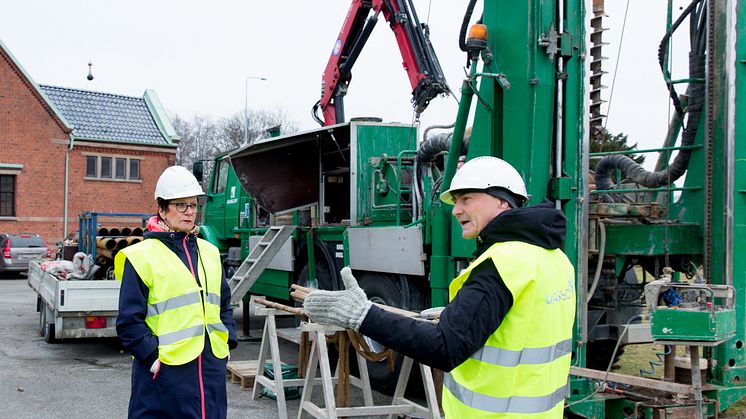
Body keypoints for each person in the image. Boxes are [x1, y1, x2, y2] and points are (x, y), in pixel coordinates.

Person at [304, 156, 576, 418]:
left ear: (502, 202)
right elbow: (525, 326)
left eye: (466, 199)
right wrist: (460, 314)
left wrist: (363, 315)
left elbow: (444, 347)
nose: (456, 210)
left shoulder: (501, 265)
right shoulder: (555, 259)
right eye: (456, 201)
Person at [115, 165, 238, 419]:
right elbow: (129, 323)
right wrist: (153, 358)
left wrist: (227, 341)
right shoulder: (141, 256)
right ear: (162, 209)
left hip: (209, 368)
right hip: (165, 373)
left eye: (193, 205)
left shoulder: (210, 252)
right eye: (181, 205)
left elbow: (224, 304)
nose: (189, 212)